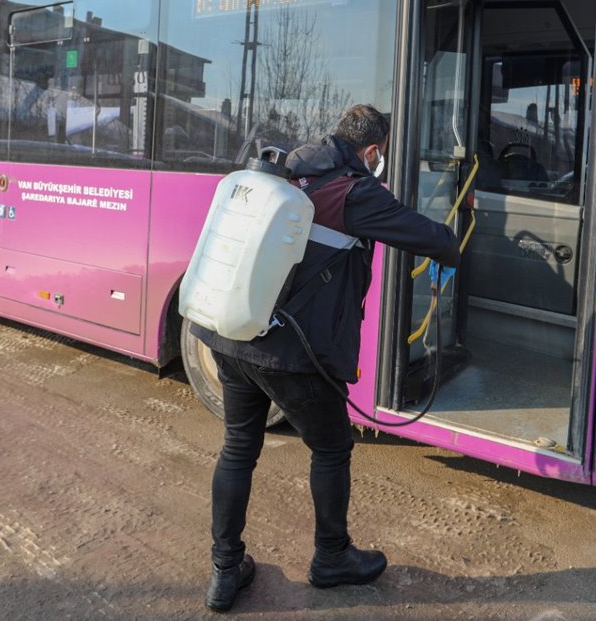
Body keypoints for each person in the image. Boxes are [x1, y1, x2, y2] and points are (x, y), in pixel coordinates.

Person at [192, 103, 461, 612]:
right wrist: (450, 253)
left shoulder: (288, 171)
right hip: (294, 352)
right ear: (373, 151)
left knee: (237, 449)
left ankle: (225, 571)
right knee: (332, 449)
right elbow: (432, 237)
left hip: (232, 337)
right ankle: (332, 557)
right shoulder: (355, 191)